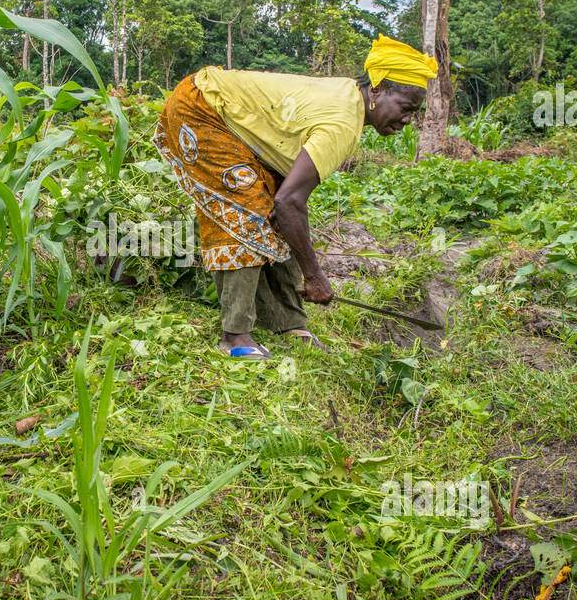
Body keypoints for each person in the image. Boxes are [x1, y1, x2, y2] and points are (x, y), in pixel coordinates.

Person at [152, 35, 438, 358]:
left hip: (227, 120)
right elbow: (290, 202)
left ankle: (287, 321)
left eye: (414, 113)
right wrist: (314, 276)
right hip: (202, 107)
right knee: (245, 207)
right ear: (376, 91)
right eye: (405, 108)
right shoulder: (344, 123)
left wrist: (302, 250)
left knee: (276, 207)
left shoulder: (350, 99)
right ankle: (234, 335)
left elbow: (287, 202)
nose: (407, 120)